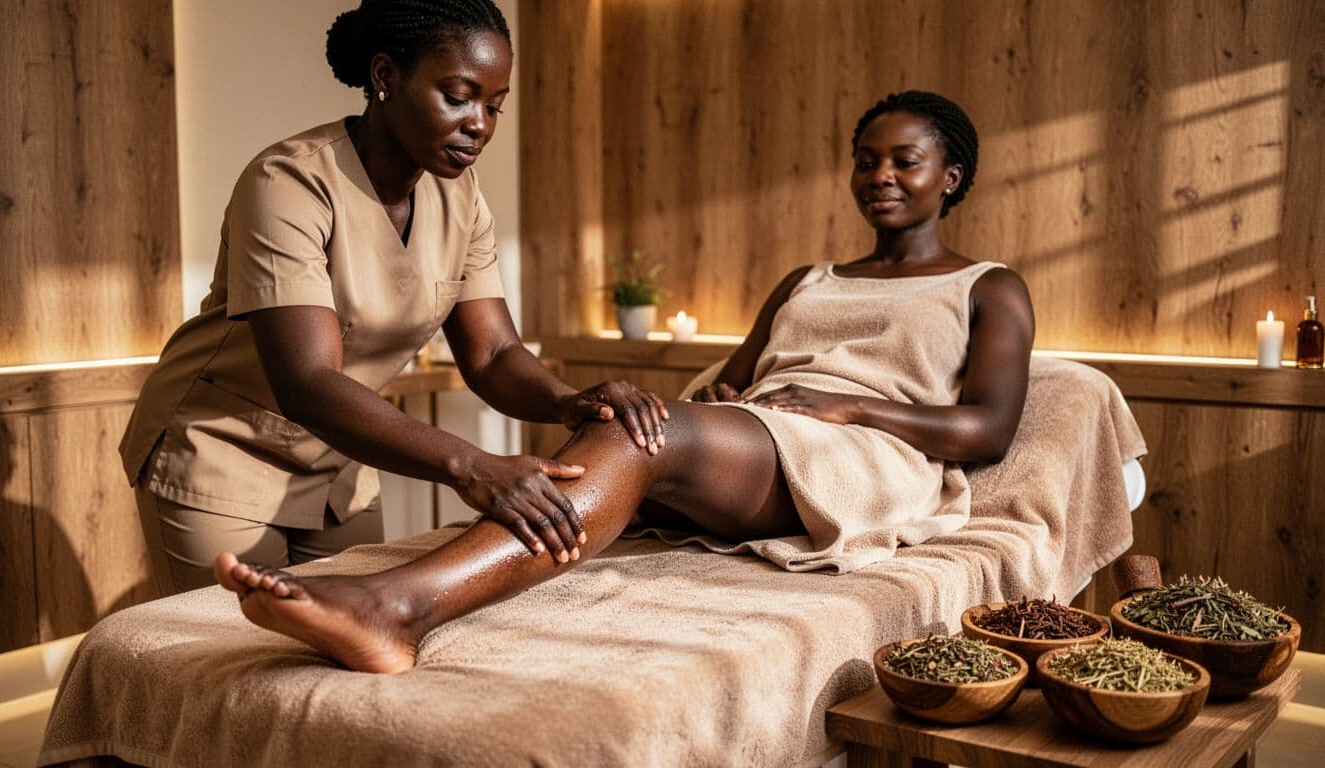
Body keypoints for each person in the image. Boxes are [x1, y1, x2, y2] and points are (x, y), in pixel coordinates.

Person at [214, 90, 1037, 674]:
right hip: (773, 440)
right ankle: (393, 599)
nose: (880, 176)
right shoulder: (806, 279)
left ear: (950, 177)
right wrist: (717, 405)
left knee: (649, 434)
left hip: (864, 455)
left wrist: (849, 404)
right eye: (866, 161)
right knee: (636, 427)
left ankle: (398, 606)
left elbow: (989, 428)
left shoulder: (987, 286)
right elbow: (739, 381)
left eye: (905, 161)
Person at [119, 0, 668, 595]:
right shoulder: (289, 182)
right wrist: (472, 466)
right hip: (224, 453)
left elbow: (493, 354)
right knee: (231, 655)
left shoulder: (462, 200)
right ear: (385, 78)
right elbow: (306, 380)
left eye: (493, 105)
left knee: (352, 642)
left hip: (338, 466)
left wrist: (569, 403)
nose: (479, 123)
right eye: (458, 96)